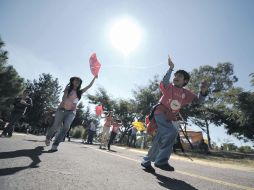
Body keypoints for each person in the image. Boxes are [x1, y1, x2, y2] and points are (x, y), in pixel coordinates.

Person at [141, 55, 208, 173]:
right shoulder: (169, 87)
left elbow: (198, 101)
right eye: (175, 75)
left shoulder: (186, 93)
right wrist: (171, 68)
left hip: (169, 118)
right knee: (172, 132)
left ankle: (146, 161)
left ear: (185, 81)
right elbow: (165, 80)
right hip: (160, 113)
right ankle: (161, 161)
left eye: (180, 76)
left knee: (160, 138)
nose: (176, 77)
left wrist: (203, 92)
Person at [45, 76, 97, 151]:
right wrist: (66, 92)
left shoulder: (80, 92)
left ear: (80, 84)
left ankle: (56, 143)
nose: (77, 82)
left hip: (71, 112)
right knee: (56, 126)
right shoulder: (68, 89)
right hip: (61, 109)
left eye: (78, 82)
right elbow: (63, 98)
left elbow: (89, 86)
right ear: (72, 81)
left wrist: (94, 78)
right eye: (75, 80)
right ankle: (48, 137)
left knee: (66, 127)